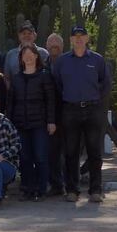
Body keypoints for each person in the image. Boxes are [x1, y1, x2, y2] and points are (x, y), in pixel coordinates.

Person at [51, 26, 112, 203]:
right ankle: (72, 190)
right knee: (71, 152)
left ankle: (95, 190)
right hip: (70, 110)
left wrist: (94, 98)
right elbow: (57, 84)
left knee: (94, 151)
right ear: (70, 40)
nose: (78, 39)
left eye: (81, 36)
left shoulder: (97, 60)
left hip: (93, 110)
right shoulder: (62, 62)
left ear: (87, 38)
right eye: (75, 36)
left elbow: (105, 84)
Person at [6, 44, 56, 201]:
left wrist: (51, 121)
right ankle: (27, 188)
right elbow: (11, 103)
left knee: (41, 157)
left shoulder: (44, 76)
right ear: (21, 59)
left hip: (40, 124)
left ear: (36, 56)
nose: (27, 57)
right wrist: (10, 123)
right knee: (25, 158)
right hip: (20, 125)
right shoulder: (16, 78)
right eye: (24, 55)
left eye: (30, 54)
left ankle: (42, 189)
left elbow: (51, 100)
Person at [44, 33, 66, 196]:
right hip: (49, 115)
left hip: (69, 112)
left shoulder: (70, 63)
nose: (54, 45)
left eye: (57, 42)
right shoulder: (42, 66)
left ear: (63, 46)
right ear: (46, 46)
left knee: (70, 151)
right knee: (52, 151)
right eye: (51, 43)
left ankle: (72, 184)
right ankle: (56, 185)